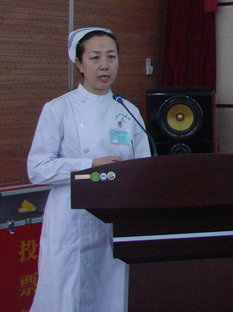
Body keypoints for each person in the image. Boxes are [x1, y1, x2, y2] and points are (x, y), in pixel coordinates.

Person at [27, 27, 152, 312]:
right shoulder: (58, 109)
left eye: (111, 57)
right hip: (71, 221)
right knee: (66, 296)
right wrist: (90, 166)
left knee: (111, 293)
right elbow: (38, 169)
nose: (105, 65)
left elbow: (144, 168)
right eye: (95, 57)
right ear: (79, 64)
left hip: (115, 221)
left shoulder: (128, 111)